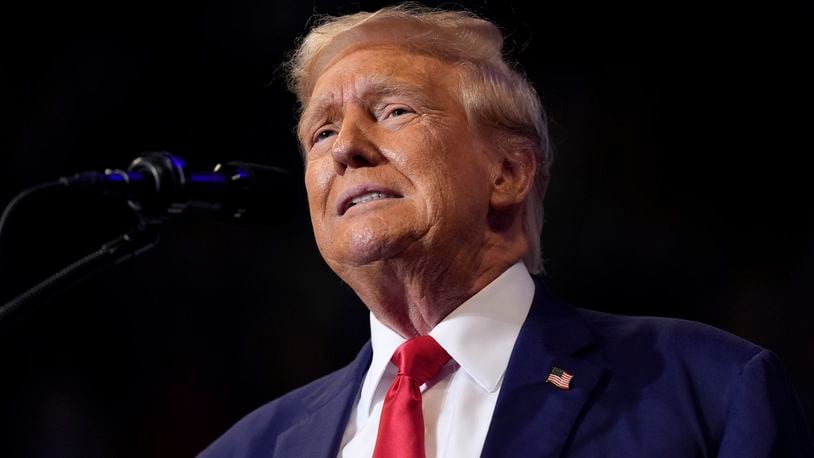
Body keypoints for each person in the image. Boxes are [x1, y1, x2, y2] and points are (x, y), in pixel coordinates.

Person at [199, 4, 813, 457]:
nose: (346, 149)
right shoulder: (245, 448)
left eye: (394, 111)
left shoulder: (709, 391)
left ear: (509, 172)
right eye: (322, 132)